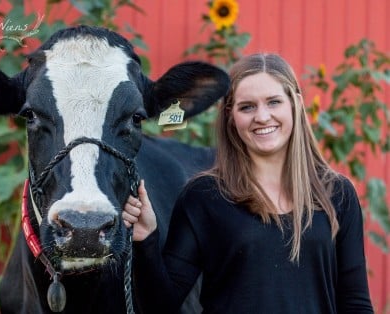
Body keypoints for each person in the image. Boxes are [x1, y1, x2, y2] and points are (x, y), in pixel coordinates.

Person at [123, 53, 374, 314]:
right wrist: (147, 240)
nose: (262, 117)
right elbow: (160, 307)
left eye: (273, 102)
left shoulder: (336, 194)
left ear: (296, 104)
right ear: (231, 116)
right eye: (247, 107)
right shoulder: (204, 196)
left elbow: (355, 303)